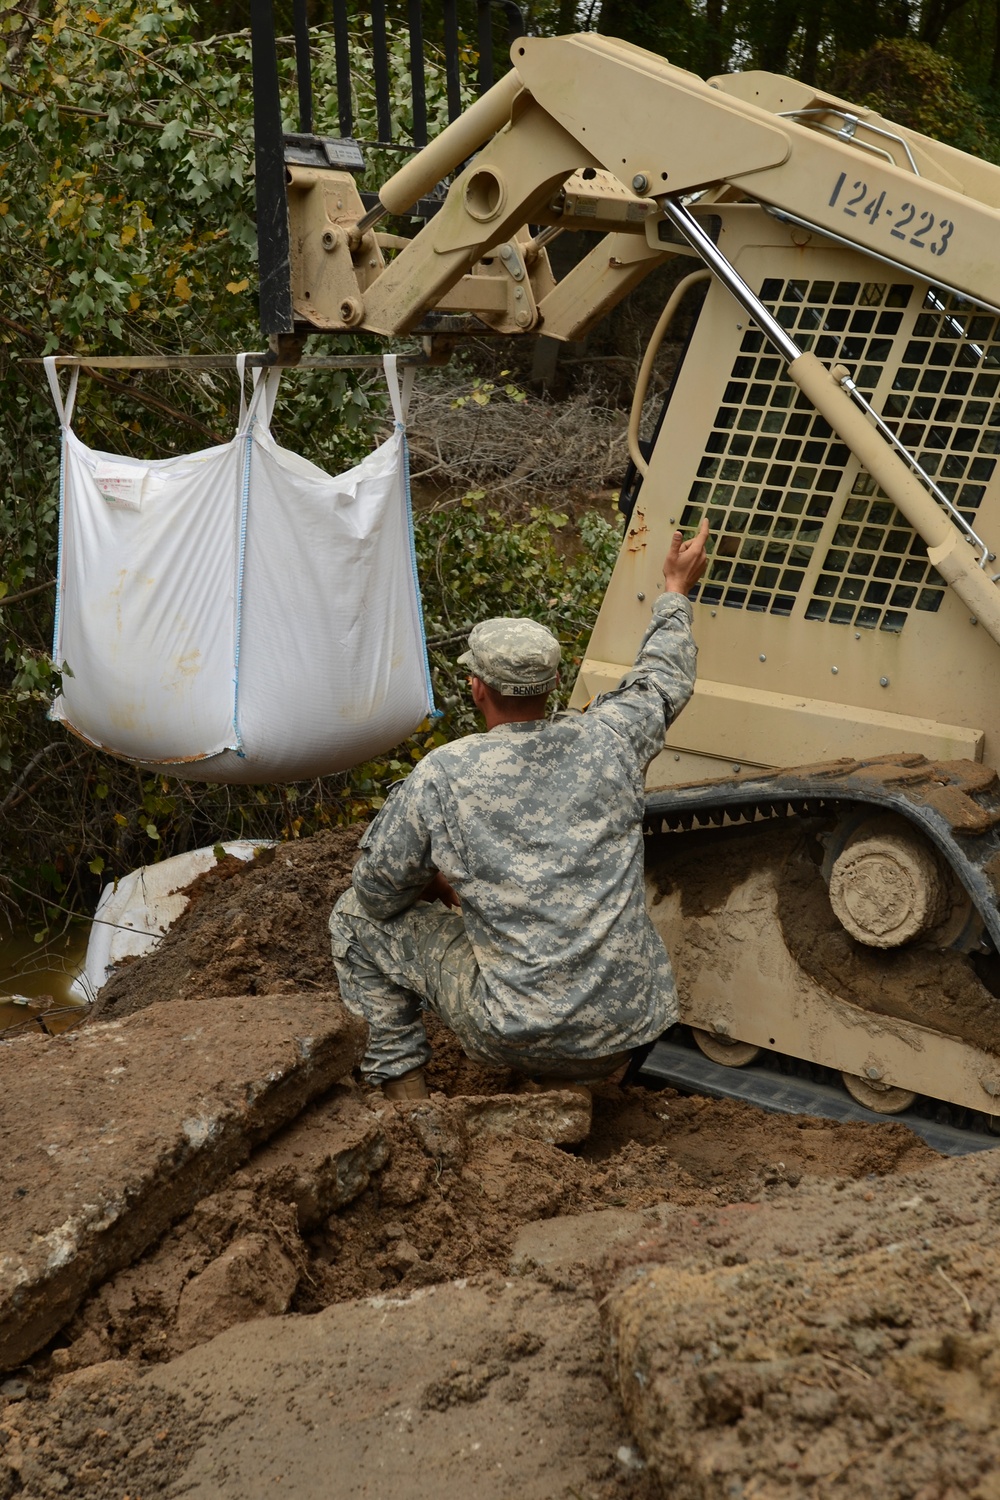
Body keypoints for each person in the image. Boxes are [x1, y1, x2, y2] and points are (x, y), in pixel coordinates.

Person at [329, 519, 710, 1099]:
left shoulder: (443, 775)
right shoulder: (612, 740)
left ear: (476, 687)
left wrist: (439, 884)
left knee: (353, 920)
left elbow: (379, 893)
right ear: (555, 682)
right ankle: (575, 1086)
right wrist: (674, 591)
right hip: (630, 1025)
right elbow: (663, 679)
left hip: (515, 1032)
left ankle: (407, 1108)